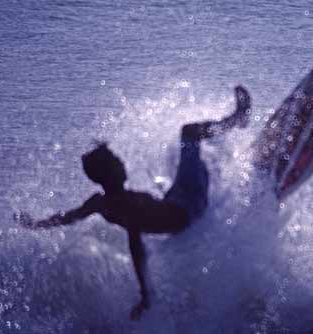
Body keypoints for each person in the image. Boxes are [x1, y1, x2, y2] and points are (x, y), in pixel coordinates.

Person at [15, 86, 251, 320]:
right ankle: (238, 120)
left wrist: (35, 224)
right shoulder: (127, 205)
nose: (122, 163)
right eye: (117, 162)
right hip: (190, 206)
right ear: (110, 173)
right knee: (189, 133)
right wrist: (146, 295)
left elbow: (68, 217)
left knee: (190, 160)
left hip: (175, 200)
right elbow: (136, 247)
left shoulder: (100, 202)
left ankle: (227, 149)